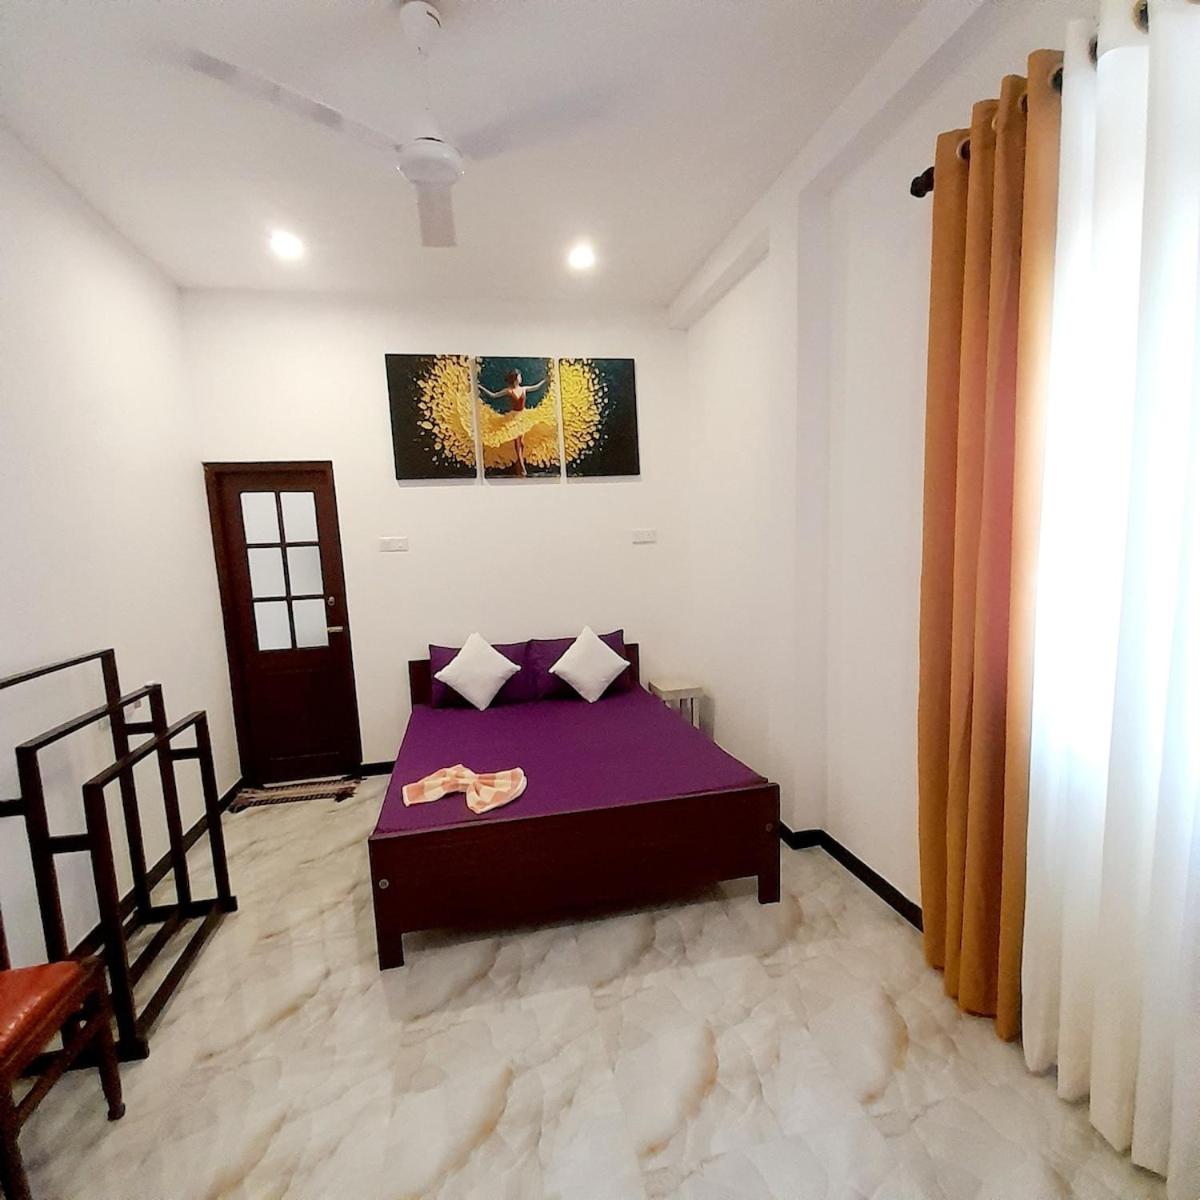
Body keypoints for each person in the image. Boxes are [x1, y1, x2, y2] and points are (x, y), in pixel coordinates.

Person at [479, 368, 548, 476]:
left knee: (522, 443)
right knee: (518, 443)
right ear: (516, 378)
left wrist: (546, 380)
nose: (521, 378)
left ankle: (518, 464)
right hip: (513, 418)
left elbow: (536, 387)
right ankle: (522, 466)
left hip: (523, 416)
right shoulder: (509, 391)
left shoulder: (523, 389)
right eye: (520, 376)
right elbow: (494, 395)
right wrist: (480, 387)